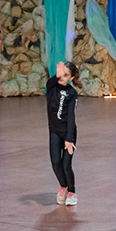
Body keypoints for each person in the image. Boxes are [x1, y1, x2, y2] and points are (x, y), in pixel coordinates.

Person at [46, 61, 80, 206]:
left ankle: (72, 192)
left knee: (66, 165)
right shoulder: (52, 87)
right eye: (61, 74)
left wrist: (69, 139)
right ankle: (63, 186)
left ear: (71, 78)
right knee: (55, 162)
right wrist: (56, 76)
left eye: (66, 75)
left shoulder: (72, 93)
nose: (62, 77)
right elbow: (49, 83)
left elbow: (71, 117)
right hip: (54, 131)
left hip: (68, 133)